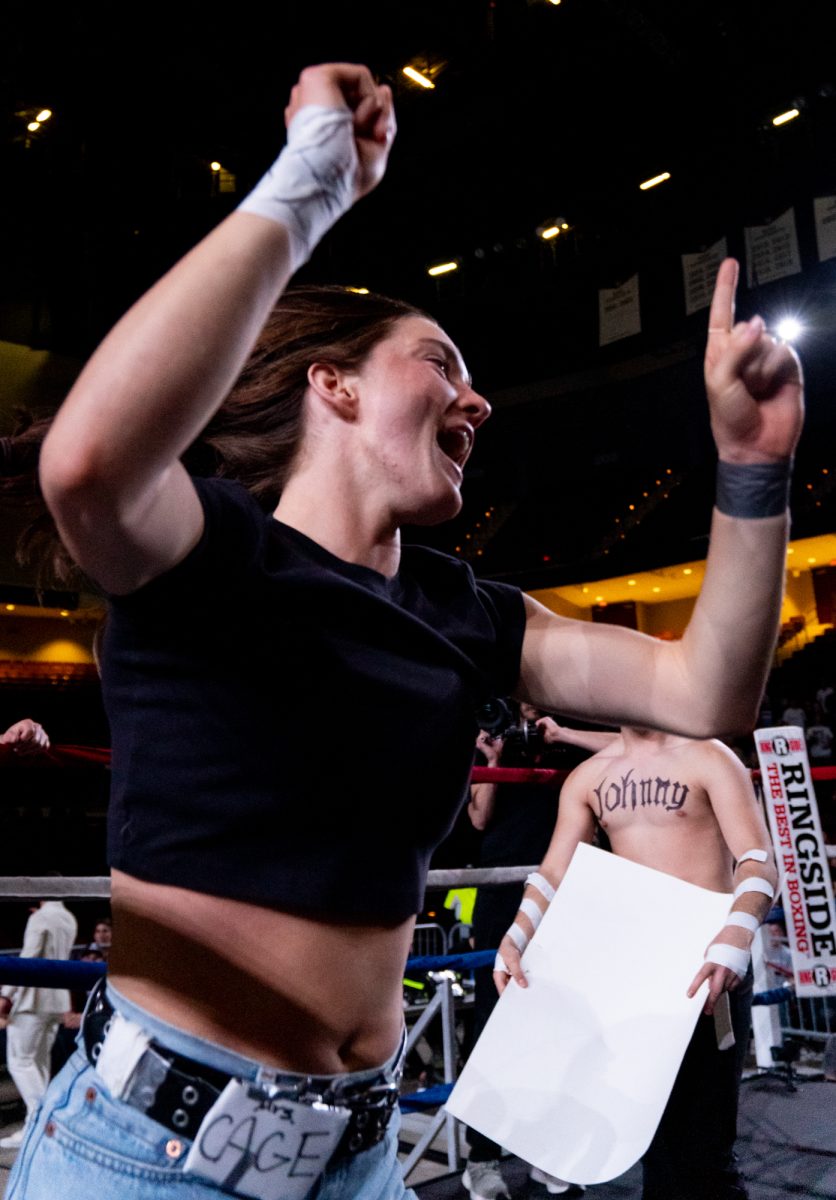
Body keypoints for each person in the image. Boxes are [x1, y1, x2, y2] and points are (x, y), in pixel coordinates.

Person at [6, 60, 801, 1200]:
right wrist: (309, 186)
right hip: (152, 1160)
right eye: (442, 367)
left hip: (359, 1158)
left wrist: (752, 467)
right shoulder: (209, 552)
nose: (475, 402)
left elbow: (706, 691)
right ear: (329, 385)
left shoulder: (464, 611)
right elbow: (84, 462)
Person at [496, 729, 778, 1200]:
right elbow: (553, 872)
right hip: (633, 971)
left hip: (706, 969)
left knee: (705, 1145)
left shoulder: (709, 757)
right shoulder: (588, 777)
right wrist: (518, 934)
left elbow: (758, 858)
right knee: (653, 1137)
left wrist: (735, 935)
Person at [463, 709, 606, 1199]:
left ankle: (552, 1154)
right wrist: (497, 757)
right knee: (492, 1022)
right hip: (504, 890)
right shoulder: (493, 733)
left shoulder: (571, 734)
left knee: (562, 1024)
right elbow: (478, 817)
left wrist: (563, 731)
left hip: (565, 887)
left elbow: (631, 750)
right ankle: (481, 1158)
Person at [0, 899, 77, 1150]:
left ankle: (39, 1120)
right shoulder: (69, 918)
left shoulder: (40, 918)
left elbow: (29, 957)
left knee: (20, 1061)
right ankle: (39, 1124)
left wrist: (6, 995)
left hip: (33, 999)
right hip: (56, 999)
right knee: (40, 1063)